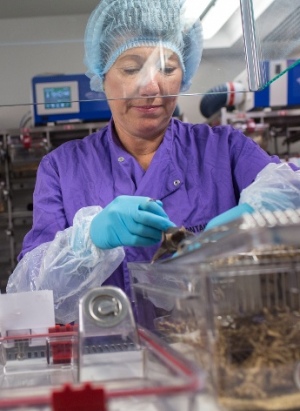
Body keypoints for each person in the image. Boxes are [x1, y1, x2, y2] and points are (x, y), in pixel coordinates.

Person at [6, 0, 300, 324]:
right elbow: (29, 297)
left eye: (168, 68)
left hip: (215, 358)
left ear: (184, 75)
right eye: (132, 69)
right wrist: (88, 241)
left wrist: (255, 216)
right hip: (110, 363)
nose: (151, 87)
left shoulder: (224, 149)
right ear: (102, 77)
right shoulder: (62, 168)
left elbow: (291, 192)